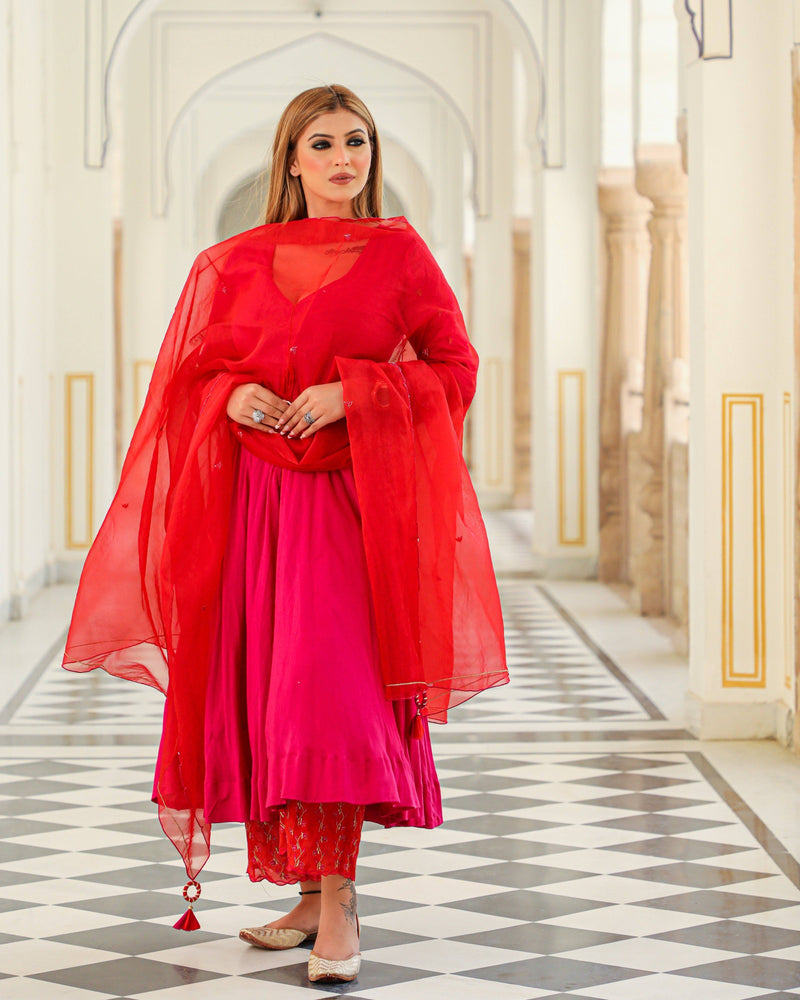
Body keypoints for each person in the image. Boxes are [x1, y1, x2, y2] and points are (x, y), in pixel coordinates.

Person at [62, 83, 508, 985]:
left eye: (358, 141)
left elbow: (455, 368)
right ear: (292, 161)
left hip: (350, 509)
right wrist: (230, 395)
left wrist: (354, 393)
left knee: (331, 697)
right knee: (278, 698)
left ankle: (341, 907)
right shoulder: (232, 263)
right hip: (253, 510)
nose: (345, 159)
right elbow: (188, 379)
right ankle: (307, 896)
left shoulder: (400, 255)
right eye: (324, 143)